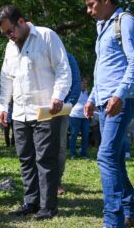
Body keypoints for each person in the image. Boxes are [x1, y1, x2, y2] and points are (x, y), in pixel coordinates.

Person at [0, 5, 72, 220]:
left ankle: (48, 207)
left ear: (21, 21)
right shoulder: (10, 48)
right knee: (26, 159)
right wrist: (3, 107)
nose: (9, 37)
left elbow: (63, 69)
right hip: (20, 113)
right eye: (4, 34)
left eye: (10, 31)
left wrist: (58, 95)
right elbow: (6, 80)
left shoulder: (47, 36)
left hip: (46, 110)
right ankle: (31, 202)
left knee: (45, 159)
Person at [82, 0, 134, 228]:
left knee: (105, 157)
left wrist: (118, 95)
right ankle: (131, 211)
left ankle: (112, 222)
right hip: (105, 102)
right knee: (114, 158)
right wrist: (93, 98)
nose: (88, 10)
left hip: (120, 101)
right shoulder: (102, 27)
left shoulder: (125, 22)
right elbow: (103, 69)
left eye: (91, 4)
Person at [57, 52, 81, 196]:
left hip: (61, 109)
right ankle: (38, 182)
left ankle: (56, 182)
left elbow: (76, 83)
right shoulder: (36, 52)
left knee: (59, 146)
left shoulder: (68, 57)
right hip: (38, 108)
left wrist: (67, 105)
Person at [69, 77, 90, 160]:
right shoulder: (75, 91)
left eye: (86, 83)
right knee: (74, 135)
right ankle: (73, 154)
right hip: (74, 115)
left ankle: (84, 153)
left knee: (85, 135)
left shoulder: (87, 92)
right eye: (83, 83)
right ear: (80, 83)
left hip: (85, 117)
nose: (84, 84)